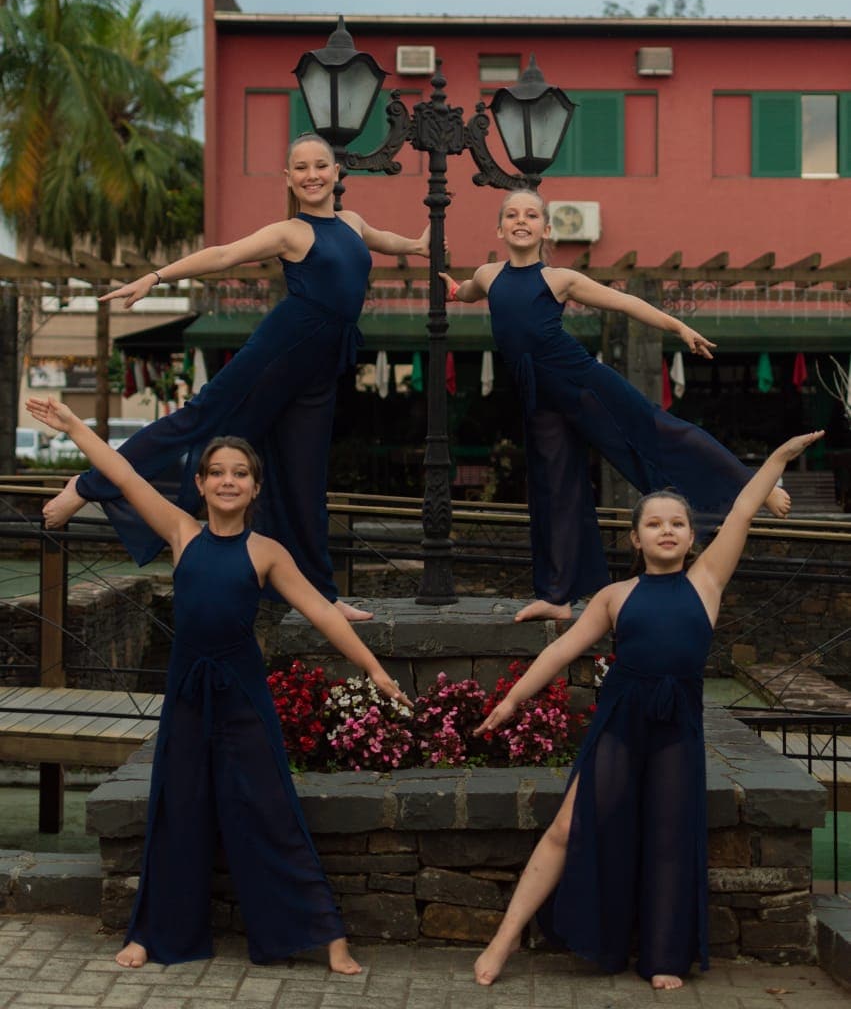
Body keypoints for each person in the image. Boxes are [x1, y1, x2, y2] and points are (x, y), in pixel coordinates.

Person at [28, 394, 413, 972]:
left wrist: (376, 670)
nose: (228, 482)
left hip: (242, 697)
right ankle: (151, 935)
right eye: (217, 474)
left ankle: (326, 935)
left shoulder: (268, 553)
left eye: (240, 474)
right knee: (175, 811)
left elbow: (323, 613)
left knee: (270, 809)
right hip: (186, 694)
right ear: (202, 485)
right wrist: (74, 426)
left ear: (255, 489)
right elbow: (124, 473)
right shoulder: (182, 534)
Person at [471, 429, 823, 990]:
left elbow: (742, 511)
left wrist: (778, 458)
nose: (667, 530)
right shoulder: (615, 596)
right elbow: (563, 649)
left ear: (691, 539)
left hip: (676, 726)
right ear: (635, 538)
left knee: (668, 839)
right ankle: (505, 937)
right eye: (654, 523)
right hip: (621, 720)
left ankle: (663, 956)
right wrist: (513, 700)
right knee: (568, 825)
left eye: (677, 524)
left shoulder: (707, 581)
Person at [43, 134, 429, 622]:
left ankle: (320, 597)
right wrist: (156, 277)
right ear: (288, 179)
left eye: (321, 166)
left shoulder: (351, 222)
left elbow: (377, 240)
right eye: (301, 168)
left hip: (321, 366)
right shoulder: (290, 232)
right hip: (283, 348)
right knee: (199, 419)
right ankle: (87, 485)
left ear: (336, 173)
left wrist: (415, 245)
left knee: (305, 480)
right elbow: (223, 255)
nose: (312, 175)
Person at [442, 190, 790, 622]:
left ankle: (755, 487)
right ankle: (557, 595)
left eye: (531, 215)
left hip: (583, 382)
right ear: (499, 228)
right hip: (539, 400)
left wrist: (678, 326)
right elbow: (471, 292)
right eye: (512, 215)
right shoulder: (489, 274)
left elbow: (625, 302)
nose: (521, 220)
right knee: (555, 490)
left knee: (660, 432)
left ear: (545, 230)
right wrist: (454, 291)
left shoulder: (559, 279)